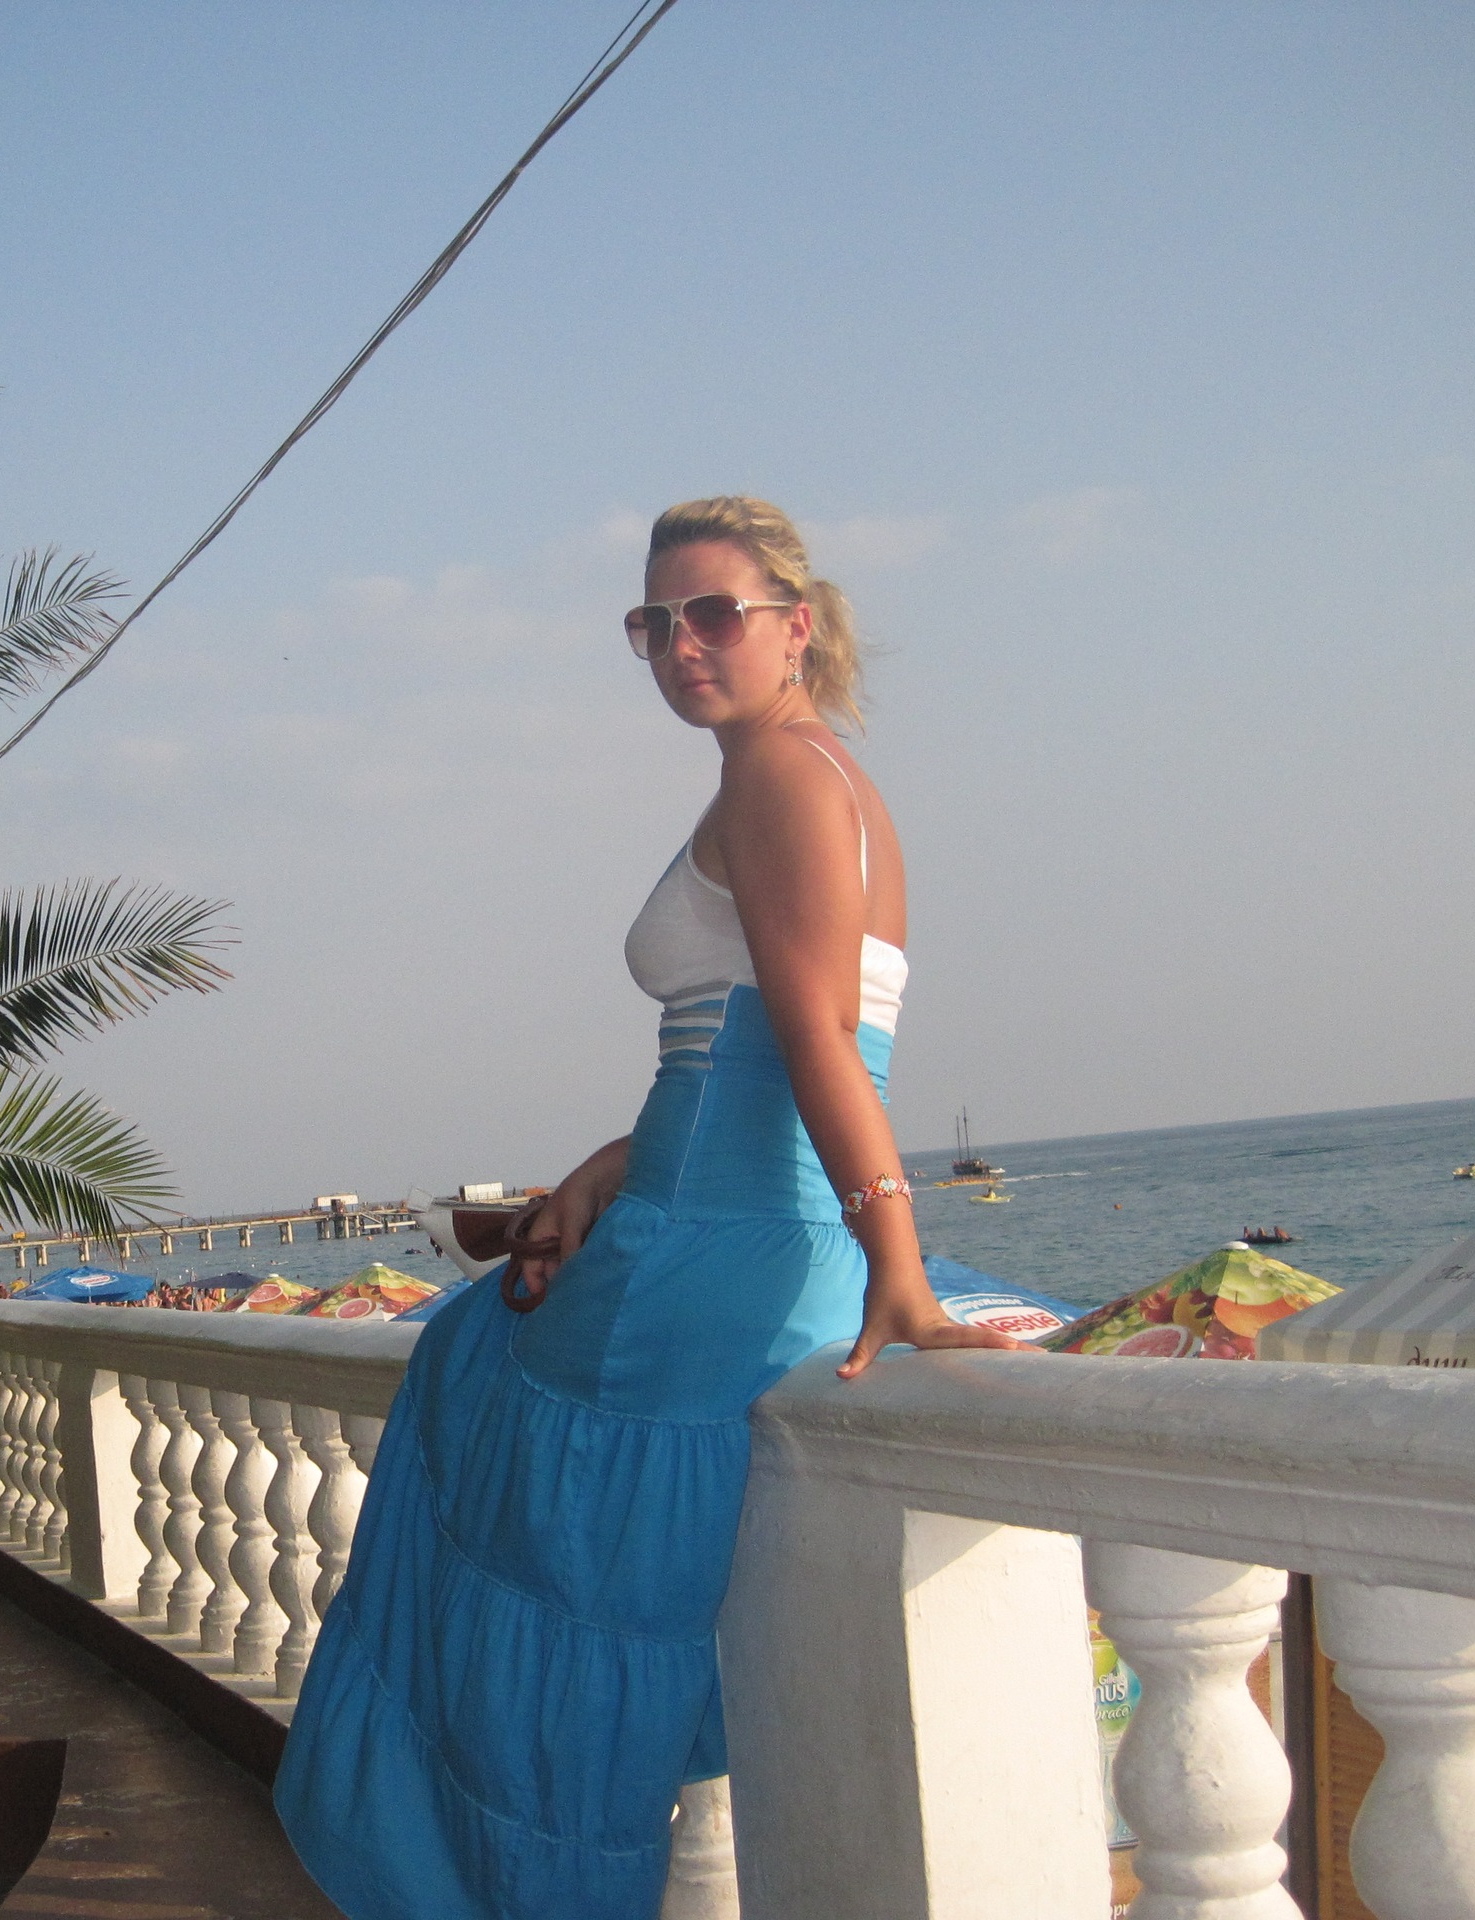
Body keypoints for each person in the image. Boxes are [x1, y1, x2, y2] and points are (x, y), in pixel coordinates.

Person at [273, 498, 1029, 1920]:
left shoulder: (781, 778)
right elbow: (744, 1056)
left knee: (492, 1458)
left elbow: (817, 1043)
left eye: (714, 613)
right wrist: (605, 1173)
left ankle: (485, 1876)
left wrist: (902, 1266)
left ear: (796, 623)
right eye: (654, 622)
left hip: (712, 1259)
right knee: (551, 1547)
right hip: (711, 1224)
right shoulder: (817, 775)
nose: (683, 644)